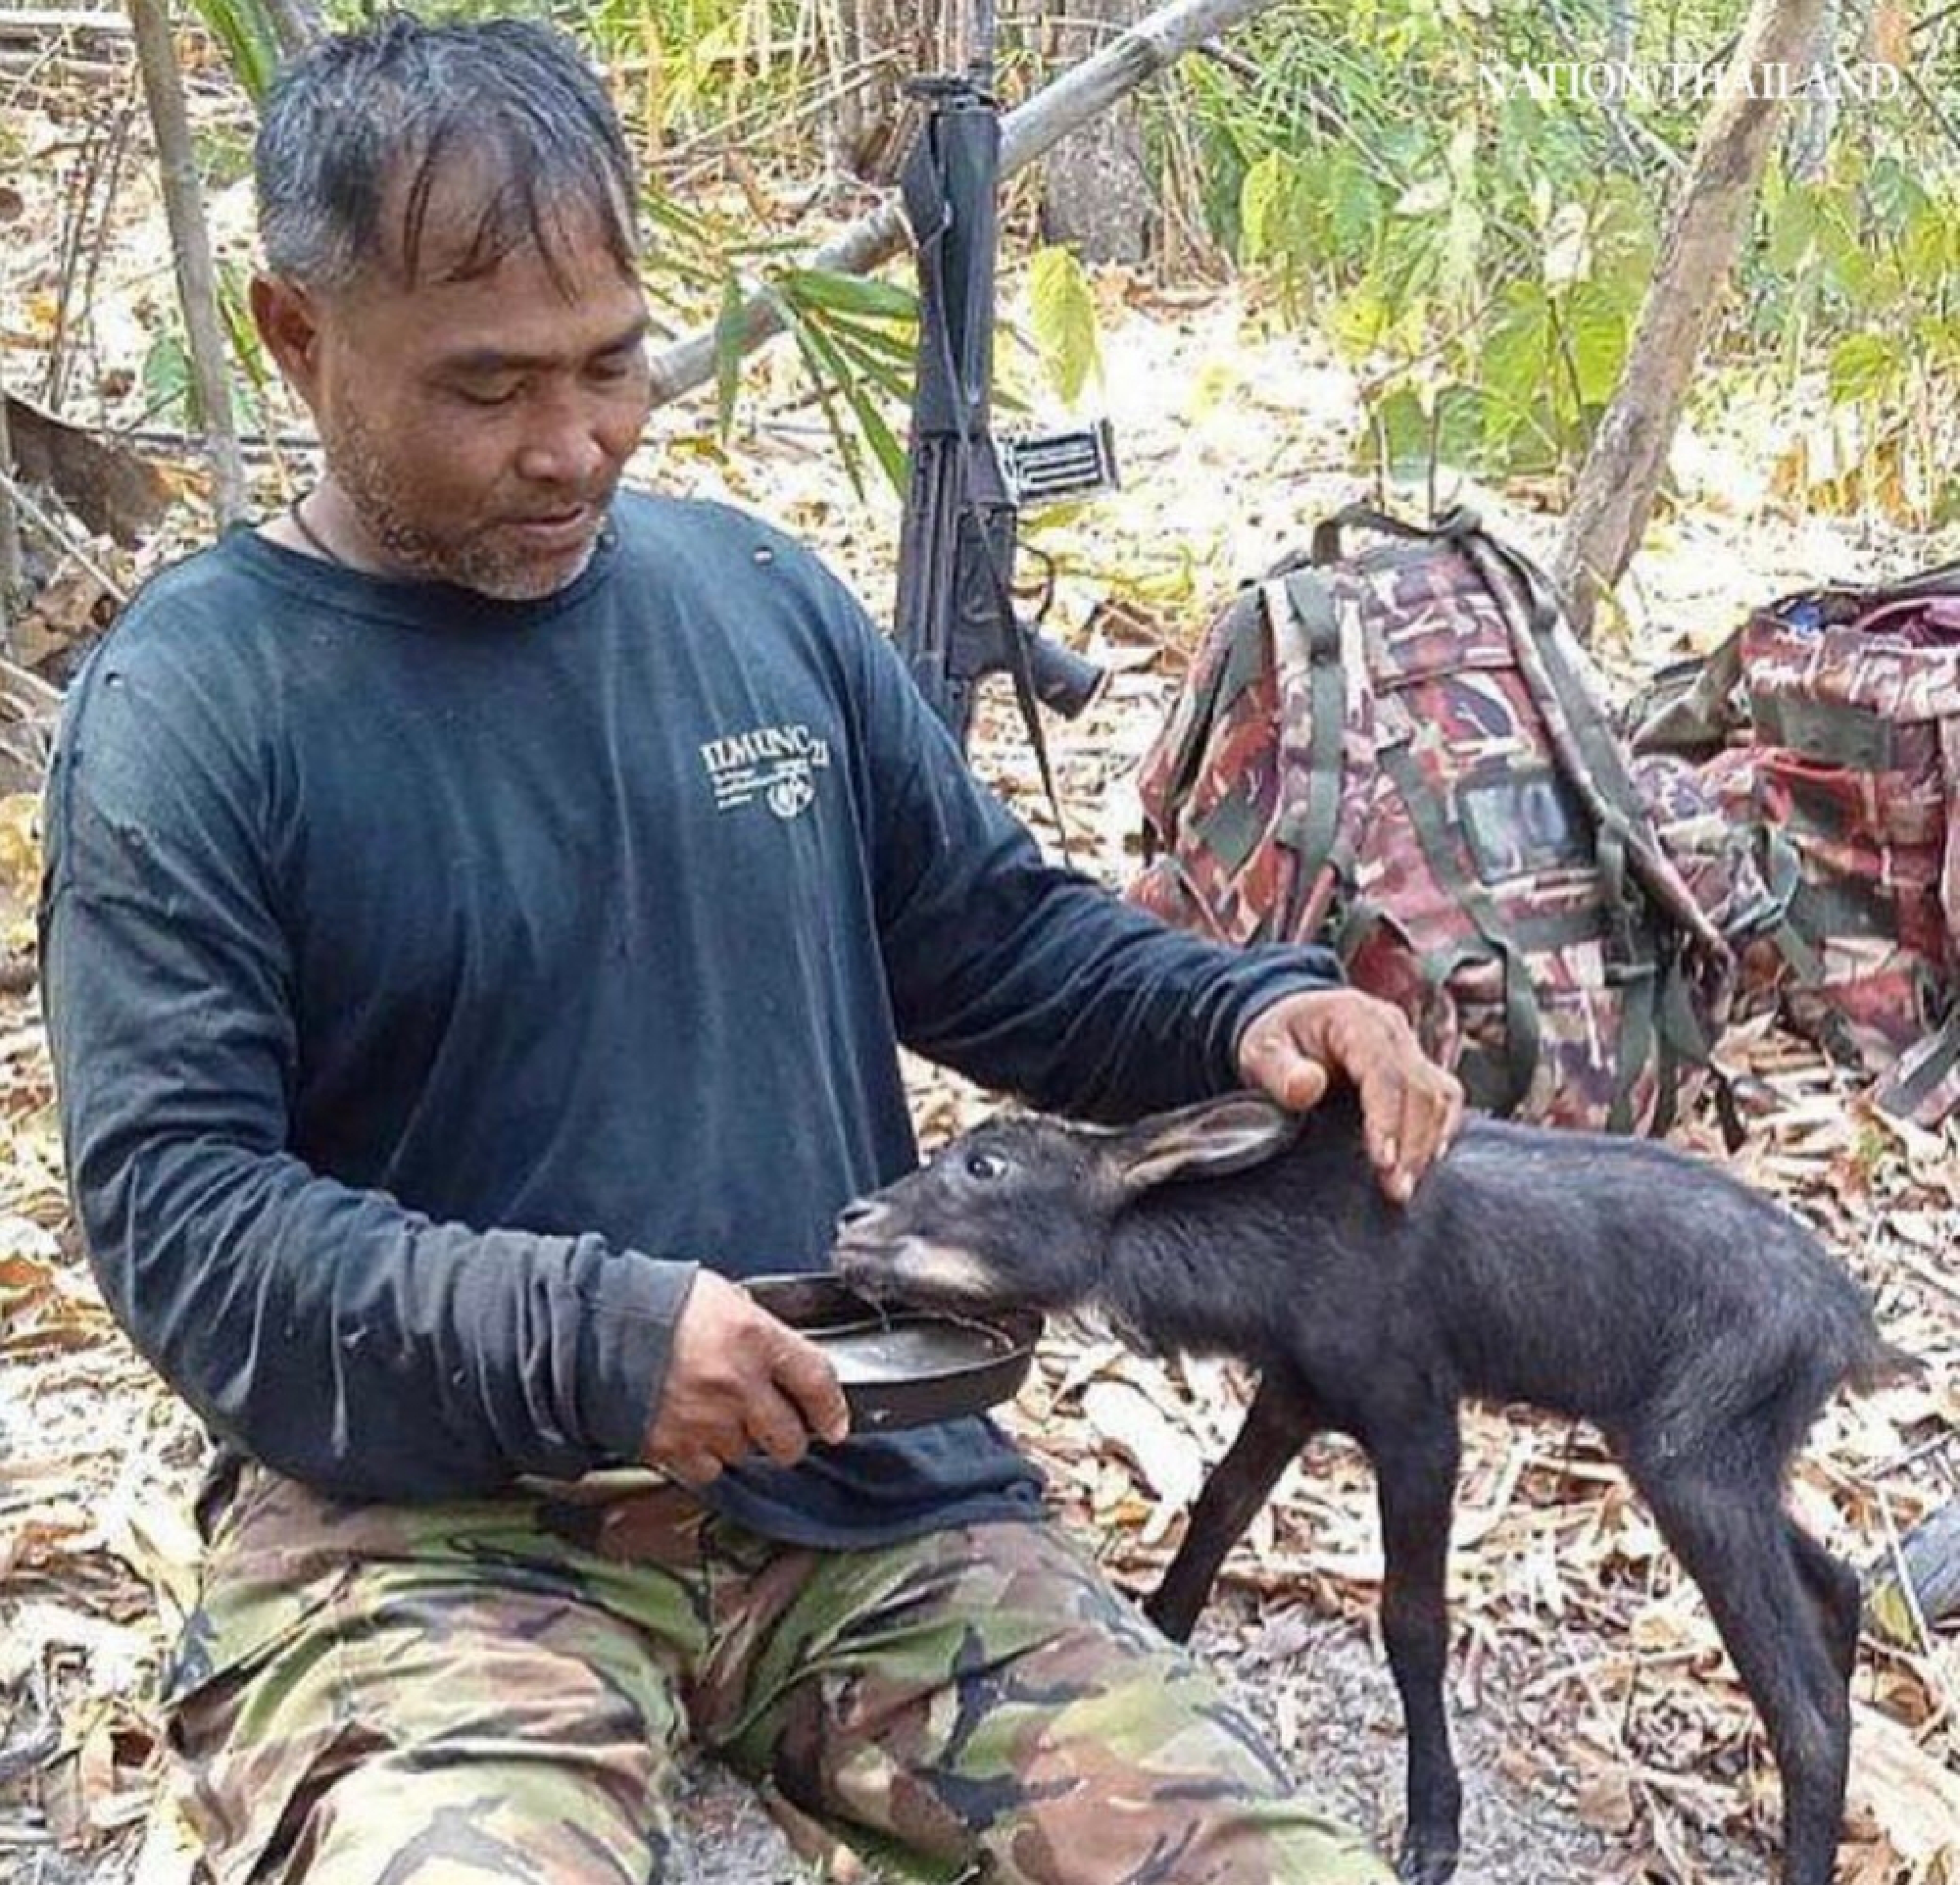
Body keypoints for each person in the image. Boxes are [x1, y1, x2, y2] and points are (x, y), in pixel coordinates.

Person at [40, 16, 1463, 1883]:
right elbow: (187, 1224)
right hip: (432, 1545)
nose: (573, 448)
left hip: (869, 1502)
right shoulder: (199, 705)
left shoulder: (753, 599)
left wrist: (1257, 1009)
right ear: (295, 337)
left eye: (613, 364)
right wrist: (601, 1338)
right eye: (487, 390)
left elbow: (998, 940)